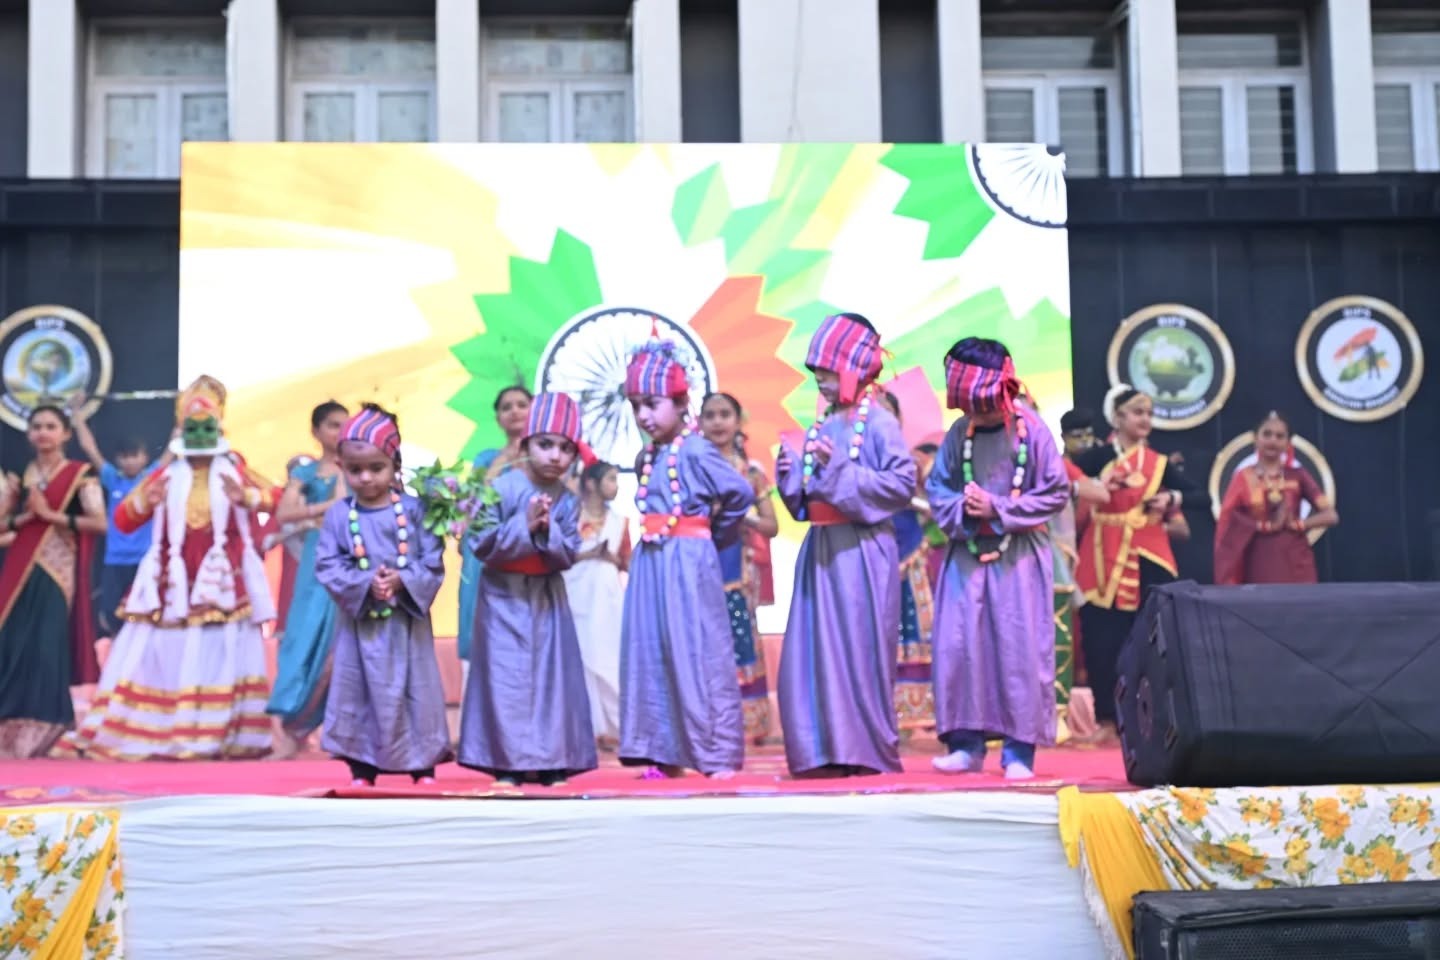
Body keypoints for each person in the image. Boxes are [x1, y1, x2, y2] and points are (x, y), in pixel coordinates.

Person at [69, 376, 276, 760]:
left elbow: (276, 499)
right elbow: (124, 519)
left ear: (220, 428)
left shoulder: (234, 468)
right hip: (171, 584)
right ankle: (164, 730)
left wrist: (248, 497)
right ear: (181, 429)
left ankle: (217, 733)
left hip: (222, 582)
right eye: (191, 428)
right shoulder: (166, 474)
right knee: (170, 652)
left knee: (219, 651)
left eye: (207, 428)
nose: (199, 436)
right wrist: (147, 500)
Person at [776, 312, 916, 777]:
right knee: (813, 652)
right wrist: (791, 475)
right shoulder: (823, 422)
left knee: (859, 649)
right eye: (817, 374)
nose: (821, 383)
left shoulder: (878, 422)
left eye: (828, 373)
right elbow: (806, 500)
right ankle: (820, 751)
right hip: (820, 550)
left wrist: (837, 469)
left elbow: (901, 485)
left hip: (861, 551)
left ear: (854, 369)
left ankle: (864, 751)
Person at [925, 340, 1069, 778]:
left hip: (1018, 557)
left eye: (983, 405)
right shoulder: (959, 434)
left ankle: (1018, 753)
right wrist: (964, 509)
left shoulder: (1032, 430)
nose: (977, 413)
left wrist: (999, 508)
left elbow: (1056, 492)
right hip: (968, 554)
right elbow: (938, 489)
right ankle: (965, 745)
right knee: (959, 646)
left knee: (1018, 650)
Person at [619, 327, 754, 780]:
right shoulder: (650, 456)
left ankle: (716, 753)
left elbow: (738, 492)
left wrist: (711, 532)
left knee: (699, 649)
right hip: (652, 559)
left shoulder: (694, 448)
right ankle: (665, 752)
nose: (643, 415)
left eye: (652, 403)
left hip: (688, 557)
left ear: (680, 403)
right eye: (635, 405)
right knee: (654, 649)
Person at [459, 393, 596, 786]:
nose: (555, 456)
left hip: (547, 598)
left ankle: (553, 761)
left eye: (565, 449)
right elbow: (480, 542)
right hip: (502, 597)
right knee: (505, 678)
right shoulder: (501, 488)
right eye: (545, 444)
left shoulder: (568, 500)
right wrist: (524, 525)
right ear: (525, 445)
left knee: (552, 678)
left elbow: (568, 552)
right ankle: (507, 763)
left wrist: (546, 531)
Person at [316, 405, 449, 786]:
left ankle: (422, 765)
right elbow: (327, 565)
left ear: (395, 465)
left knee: (415, 691)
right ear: (342, 466)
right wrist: (364, 583)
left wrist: (403, 580)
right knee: (359, 692)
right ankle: (363, 766)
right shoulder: (339, 515)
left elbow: (432, 561)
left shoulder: (415, 510)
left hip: (407, 627)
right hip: (361, 628)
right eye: (355, 470)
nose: (366, 477)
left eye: (376, 468)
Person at [1071, 384, 1205, 739]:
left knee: (1147, 639)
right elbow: (1064, 484)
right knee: (1101, 638)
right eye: (1137, 412)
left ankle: (1149, 720)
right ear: (1118, 418)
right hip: (1102, 554)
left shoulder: (1158, 464)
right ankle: (1106, 720)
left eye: (1149, 413)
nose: (1145, 419)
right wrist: (1098, 484)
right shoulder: (1095, 458)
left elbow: (1201, 496)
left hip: (1146, 555)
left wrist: (1170, 498)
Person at [0, 405, 107, 757]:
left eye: (50, 426)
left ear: (66, 434)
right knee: (13, 642)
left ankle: (48, 726)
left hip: (58, 571)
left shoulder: (81, 474)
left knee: (47, 646)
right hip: (20, 568)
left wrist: (50, 516)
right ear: (29, 434)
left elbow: (100, 523)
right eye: (37, 426)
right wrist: (24, 519)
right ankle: (8, 726)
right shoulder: (20, 475)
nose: (43, 432)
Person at [266, 400, 349, 759]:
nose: (340, 432)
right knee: (303, 641)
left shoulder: (362, 468)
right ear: (315, 431)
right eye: (333, 425)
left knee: (348, 647)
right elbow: (285, 513)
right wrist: (325, 508)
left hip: (355, 560)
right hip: (318, 562)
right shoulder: (307, 473)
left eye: (345, 425)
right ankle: (291, 732)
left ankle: (346, 738)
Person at [699, 392, 779, 745]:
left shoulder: (751, 473)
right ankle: (705, 725)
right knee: (701, 645)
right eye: (710, 415)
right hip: (697, 569)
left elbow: (772, 526)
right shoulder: (691, 467)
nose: (717, 422)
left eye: (724, 414)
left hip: (738, 570)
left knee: (741, 641)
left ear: (738, 421)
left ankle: (749, 726)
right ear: (699, 423)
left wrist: (741, 515)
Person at [69, 398, 173, 639]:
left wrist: (184, 417)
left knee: (148, 613)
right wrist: (76, 414)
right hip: (115, 560)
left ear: (145, 458)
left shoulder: (150, 479)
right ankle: (118, 650)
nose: (130, 461)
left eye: (135, 456)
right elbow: (89, 448)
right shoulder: (112, 478)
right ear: (118, 460)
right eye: (125, 457)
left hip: (145, 559)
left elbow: (171, 449)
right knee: (112, 614)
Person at [457, 385, 533, 685]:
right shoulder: (486, 458)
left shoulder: (547, 455)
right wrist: (502, 460)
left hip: (529, 550)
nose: (514, 411)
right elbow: (470, 507)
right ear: (498, 419)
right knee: (481, 624)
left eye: (521, 405)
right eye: (506, 407)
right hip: (486, 551)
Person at [1214, 411, 1338, 585]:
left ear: (1288, 443)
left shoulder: (1297, 475)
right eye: (1267, 434)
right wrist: (1264, 526)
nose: (1273, 440)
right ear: (1255, 438)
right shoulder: (1243, 477)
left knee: (1299, 602)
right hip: (1258, 560)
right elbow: (1229, 521)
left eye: (1280, 436)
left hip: (1296, 562)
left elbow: (1330, 516)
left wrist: (1299, 524)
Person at [562, 460, 629, 747]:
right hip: (575, 592)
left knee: (609, 658)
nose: (616, 486)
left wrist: (609, 558)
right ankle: (584, 729)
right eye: (611, 479)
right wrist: (588, 555)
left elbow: (627, 561)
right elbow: (557, 554)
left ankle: (615, 729)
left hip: (607, 599)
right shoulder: (570, 516)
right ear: (591, 483)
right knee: (580, 658)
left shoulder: (620, 521)